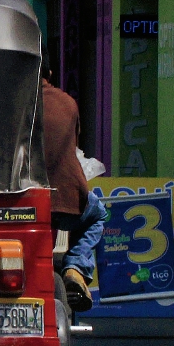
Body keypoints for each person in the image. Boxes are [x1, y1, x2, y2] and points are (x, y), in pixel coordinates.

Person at [41, 56, 104, 312]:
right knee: (97, 215)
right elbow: (72, 147)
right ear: (50, 74)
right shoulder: (68, 102)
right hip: (67, 199)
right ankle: (76, 267)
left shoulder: (12, 102)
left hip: (20, 199)